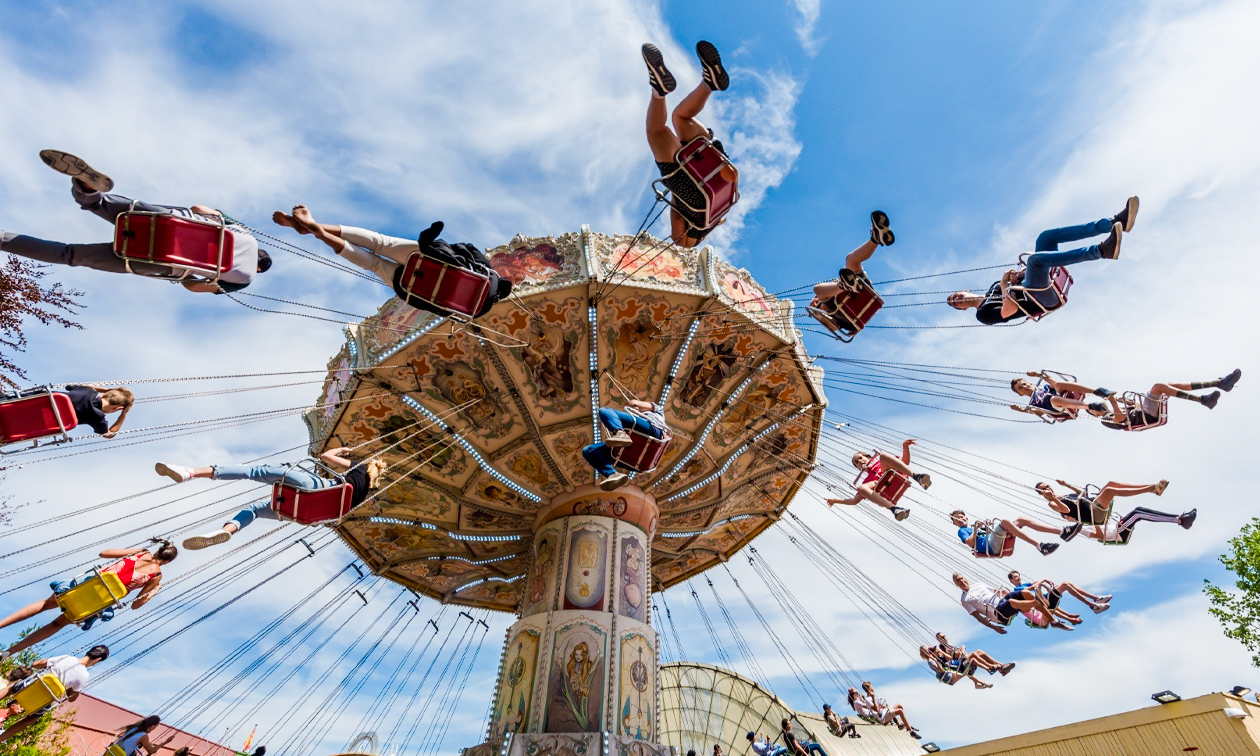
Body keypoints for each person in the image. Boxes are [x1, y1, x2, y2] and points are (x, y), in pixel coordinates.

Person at [1, 151, 269, 293]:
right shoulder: (243, 280)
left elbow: (199, 208)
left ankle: (85, 185)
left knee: (98, 202)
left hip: (163, 221)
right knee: (68, 254)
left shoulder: (245, 233)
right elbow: (196, 286)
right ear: (257, 269)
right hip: (156, 259)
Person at [273, 206, 512, 318]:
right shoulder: (479, 310)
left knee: (379, 242)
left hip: (428, 260)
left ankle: (317, 227)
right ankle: (321, 236)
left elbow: (465, 249)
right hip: (411, 286)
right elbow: (444, 311)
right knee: (372, 263)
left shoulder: (488, 273)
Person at [947, 199, 1137, 324]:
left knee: (1046, 238)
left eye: (956, 295)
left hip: (1036, 285)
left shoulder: (993, 287)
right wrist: (1005, 284)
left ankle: (1112, 222)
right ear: (962, 309)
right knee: (1036, 260)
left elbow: (1021, 282)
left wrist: (1018, 276)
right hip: (1040, 298)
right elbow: (1010, 310)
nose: (957, 300)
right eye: (955, 304)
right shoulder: (983, 314)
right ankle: (1101, 251)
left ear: (964, 290)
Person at [160, 448, 389, 550]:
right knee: (257, 509)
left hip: (315, 488)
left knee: (256, 471)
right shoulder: (365, 492)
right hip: (310, 514)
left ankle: (190, 472)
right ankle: (227, 531)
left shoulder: (359, 465)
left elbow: (326, 456)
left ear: (369, 463)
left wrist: (343, 451)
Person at [0, 542, 175, 658]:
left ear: (158, 550)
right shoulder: (156, 575)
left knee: (45, 605)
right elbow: (136, 605)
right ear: (168, 562)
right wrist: (152, 592)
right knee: (57, 625)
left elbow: (104, 553)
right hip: (93, 604)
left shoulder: (139, 553)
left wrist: (128, 555)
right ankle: (10, 652)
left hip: (84, 586)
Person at [641, 41, 734, 247]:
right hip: (694, 191)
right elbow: (676, 223)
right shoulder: (689, 241)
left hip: (721, 168)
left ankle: (709, 84)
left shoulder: (721, 210)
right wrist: (676, 192)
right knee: (656, 131)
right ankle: (659, 91)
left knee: (681, 117)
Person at [809, 212, 895, 335]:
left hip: (858, 290)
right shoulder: (834, 314)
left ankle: (876, 239)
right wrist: (817, 312)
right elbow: (832, 325)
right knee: (817, 289)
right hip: (852, 302)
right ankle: (845, 285)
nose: (817, 301)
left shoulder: (831, 299)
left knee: (851, 260)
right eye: (817, 303)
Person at [0, 646, 108, 743]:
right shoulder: (84, 675)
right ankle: (3, 737)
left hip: (28, 688)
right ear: (98, 660)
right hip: (40, 703)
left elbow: (35, 664)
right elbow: (72, 698)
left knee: (12, 688)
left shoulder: (68, 658)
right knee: (32, 718)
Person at [1097, 369, 1241, 430]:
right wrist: (1113, 401)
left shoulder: (1115, 409)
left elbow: (1133, 406)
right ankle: (1203, 400)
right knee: (1158, 387)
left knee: (1169, 385)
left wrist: (1121, 401)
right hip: (1146, 415)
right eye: (1094, 407)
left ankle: (1218, 383)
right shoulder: (1105, 419)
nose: (1097, 405)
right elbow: (1119, 419)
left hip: (1145, 411)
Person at [825, 439, 931, 522]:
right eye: (857, 462)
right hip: (880, 487)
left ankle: (917, 477)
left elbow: (905, 463)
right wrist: (835, 500)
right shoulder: (867, 480)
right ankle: (894, 509)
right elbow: (854, 501)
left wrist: (905, 447)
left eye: (861, 458)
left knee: (883, 456)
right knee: (862, 488)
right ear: (858, 468)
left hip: (893, 474)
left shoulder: (880, 463)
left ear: (868, 457)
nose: (860, 461)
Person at [1034, 479, 1173, 541]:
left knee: (1110, 484)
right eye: (1043, 489)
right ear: (1041, 494)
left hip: (1092, 503)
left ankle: (1152, 486)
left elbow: (1083, 493)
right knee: (1110, 491)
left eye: (1047, 486)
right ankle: (1151, 489)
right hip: (1092, 514)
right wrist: (1053, 498)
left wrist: (1066, 485)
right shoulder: (1052, 503)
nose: (1047, 489)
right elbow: (1065, 510)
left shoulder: (1062, 495)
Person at [582, 401, 668, 491]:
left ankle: (620, 433)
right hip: (640, 459)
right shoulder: (639, 420)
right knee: (588, 450)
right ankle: (612, 474)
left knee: (604, 411)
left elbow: (635, 403)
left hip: (653, 430)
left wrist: (635, 404)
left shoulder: (658, 410)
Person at [0, 384, 134, 439]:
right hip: (20, 428)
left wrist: (106, 390)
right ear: (117, 408)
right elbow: (109, 434)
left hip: (12, 405)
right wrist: (124, 414)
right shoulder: (97, 417)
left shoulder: (88, 391)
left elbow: (69, 386)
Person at [950, 510, 1065, 557]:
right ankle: (1039, 545)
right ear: (955, 523)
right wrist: (976, 528)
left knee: (1021, 519)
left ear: (966, 517)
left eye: (962, 517)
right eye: (957, 519)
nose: (960, 519)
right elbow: (970, 543)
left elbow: (985, 533)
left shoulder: (974, 528)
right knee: (1005, 522)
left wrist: (986, 526)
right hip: (990, 546)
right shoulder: (962, 531)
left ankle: (1061, 531)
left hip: (994, 540)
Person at [1008, 371, 1108, 421]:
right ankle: (1091, 406)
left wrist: (1039, 375)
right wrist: (1020, 410)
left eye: (1025, 384)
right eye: (1020, 388)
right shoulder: (1033, 403)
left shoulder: (1046, 388)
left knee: (1058, 384)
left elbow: (1053, 382)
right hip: (1056, 407)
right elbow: (1038, 412)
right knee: (1054, 399)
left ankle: (1098, 391)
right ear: (1020, 394)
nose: (1025, 386)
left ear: (1030, 383)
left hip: (1064, 395)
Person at [932, 632, 1014, 676]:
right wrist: (962, 649)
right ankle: (993, 667)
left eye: (944, 636)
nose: (944, 638)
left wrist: (960, 650)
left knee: (979, 651)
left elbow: (959, 654)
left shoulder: (949, 646)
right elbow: (957, 656)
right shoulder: (943, 649)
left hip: (968, 663)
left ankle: (1001, 666)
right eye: (941, 638)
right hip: (963, 666)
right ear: (938, 640)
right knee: (973, 654)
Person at [919, 646, 992, 689]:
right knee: (970, 658)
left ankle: (978, 682)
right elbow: (940, 670)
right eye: (925, 651)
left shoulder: (937, 656)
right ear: (924, 654)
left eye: (927, 650)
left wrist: (942, 652)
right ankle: (990, 668)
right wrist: (936, 660)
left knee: (968, 664)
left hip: (953, 672)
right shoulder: (931, 661)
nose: (927, 651)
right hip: (949, 678)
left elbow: (950, 659)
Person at [110, 715, 174, 756]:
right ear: (153, 726)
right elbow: (151, 751)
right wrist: (166, 742)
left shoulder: (134, 728)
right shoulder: (144, 736)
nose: (154, 729)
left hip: (112, 751)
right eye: (155, 727)